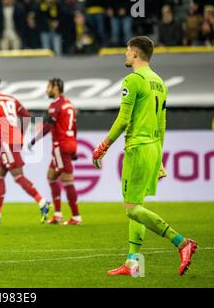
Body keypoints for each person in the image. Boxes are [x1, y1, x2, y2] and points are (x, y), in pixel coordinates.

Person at [92, 36, 196, 276]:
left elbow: (123, 119)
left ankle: (181, 242)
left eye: (127, 50)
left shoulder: (133, 80)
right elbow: (162, 122)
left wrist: (104, 146)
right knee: (137, 205)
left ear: (136, 53)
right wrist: (159, 157)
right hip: (152, 147)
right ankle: (132, 263)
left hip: (137, 149)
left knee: (131, 209)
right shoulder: (160, 82)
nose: (125, 54)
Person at [0, 75, 50, 226]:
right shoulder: (11, 98)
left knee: (18, 176)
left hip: (7, 141)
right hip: (12, 139)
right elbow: (26, 116)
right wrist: (21, 135)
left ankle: (42, 202)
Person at [29, 78, 81, 225]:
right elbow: (74, 128)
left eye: (48, 87)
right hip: (69, 143)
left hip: (61, 145)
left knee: (67, 180)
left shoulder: (55, 106)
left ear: (56, 87)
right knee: (51, 176)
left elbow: (48, 127)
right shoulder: (69, 104)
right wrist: (74, 147)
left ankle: (76, 217)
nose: (47, 90)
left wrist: (34, 140)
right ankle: (57, 214)